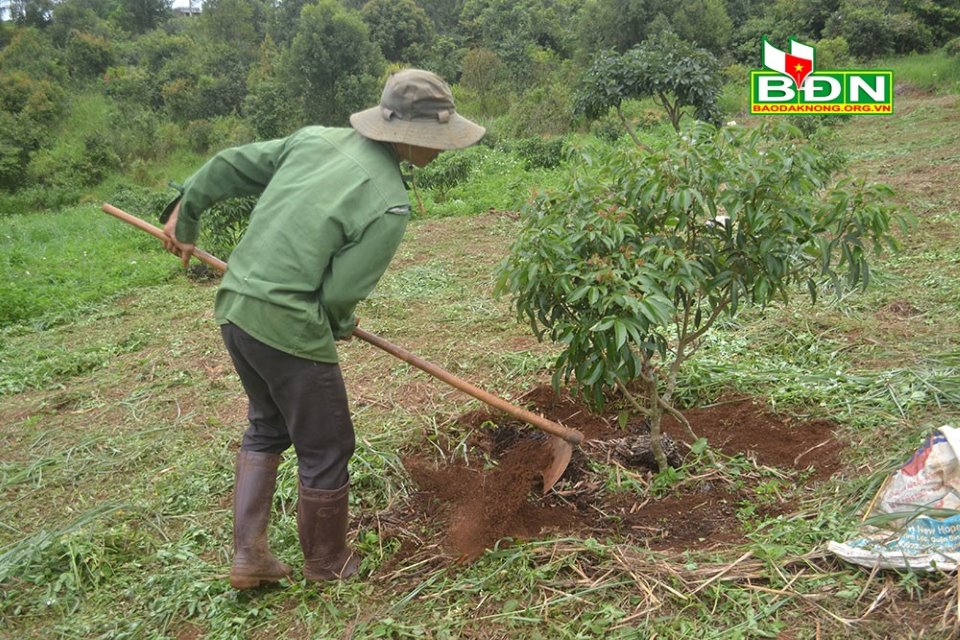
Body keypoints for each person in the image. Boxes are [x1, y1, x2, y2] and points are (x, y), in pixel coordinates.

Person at [160, 69, 485, 588]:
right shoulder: (390, 201)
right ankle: (327, 563)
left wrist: (187, 212)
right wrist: (338, 324)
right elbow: (335, 297)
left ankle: (250, 555)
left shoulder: (312, 141)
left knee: (268, 425)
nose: (442, 149)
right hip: (288, 327)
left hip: (236, 309)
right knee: (327, 445)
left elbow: (227, 166)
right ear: (403, 132)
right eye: (435, 140)